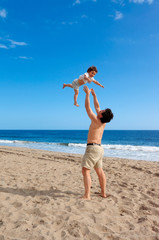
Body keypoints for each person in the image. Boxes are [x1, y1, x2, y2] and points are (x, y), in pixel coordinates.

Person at [81, 86, 114, 200]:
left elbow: (87, 107)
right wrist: (95, 95)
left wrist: (87, 94)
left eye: (101, 111)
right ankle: (103, 193)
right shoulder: (103, 122)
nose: (100, 110)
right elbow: (97, 106)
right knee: (100, 171)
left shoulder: (96, 120)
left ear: (101, 115)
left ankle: (87, 195)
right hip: (99, 150)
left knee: (85, 170)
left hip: (93, 149)